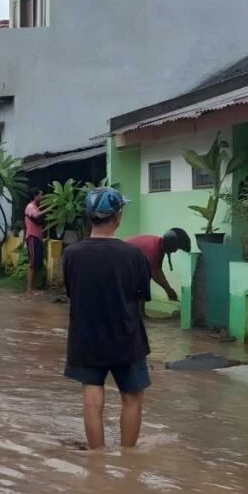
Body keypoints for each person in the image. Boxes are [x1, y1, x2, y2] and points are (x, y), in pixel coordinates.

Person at [62, 188, 152, 450]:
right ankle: (128, 459)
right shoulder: (133, 255)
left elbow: (71, 292)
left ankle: (97, 460)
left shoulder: (71, 254)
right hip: (127, 337)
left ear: (89, 217)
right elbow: (141, 296)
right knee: (132, 398)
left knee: (92, 398)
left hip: (86, 337)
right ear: (118, 216)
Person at [126, 228, 191, 302]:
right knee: (141, 282)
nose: (175, 251)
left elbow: (157, 269)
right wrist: (169, 290)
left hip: (126, 261)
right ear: (170, 245)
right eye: (176, 248)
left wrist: (168, 289)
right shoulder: (154, 248)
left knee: (143, 280)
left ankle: (140, 312)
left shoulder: (159, 245)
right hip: (120, 261)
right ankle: (137, 312)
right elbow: (156, 274)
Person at [24, 188, 48, 296]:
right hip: (32, 238)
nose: (42, 197)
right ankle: (29, 290)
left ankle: (33, 288)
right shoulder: (30, 207)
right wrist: (49, 208)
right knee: (32, 264)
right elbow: (36, 216)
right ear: (35, 196)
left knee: (37, 263)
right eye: (41, 195)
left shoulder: (36, 207)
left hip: (37, 238)